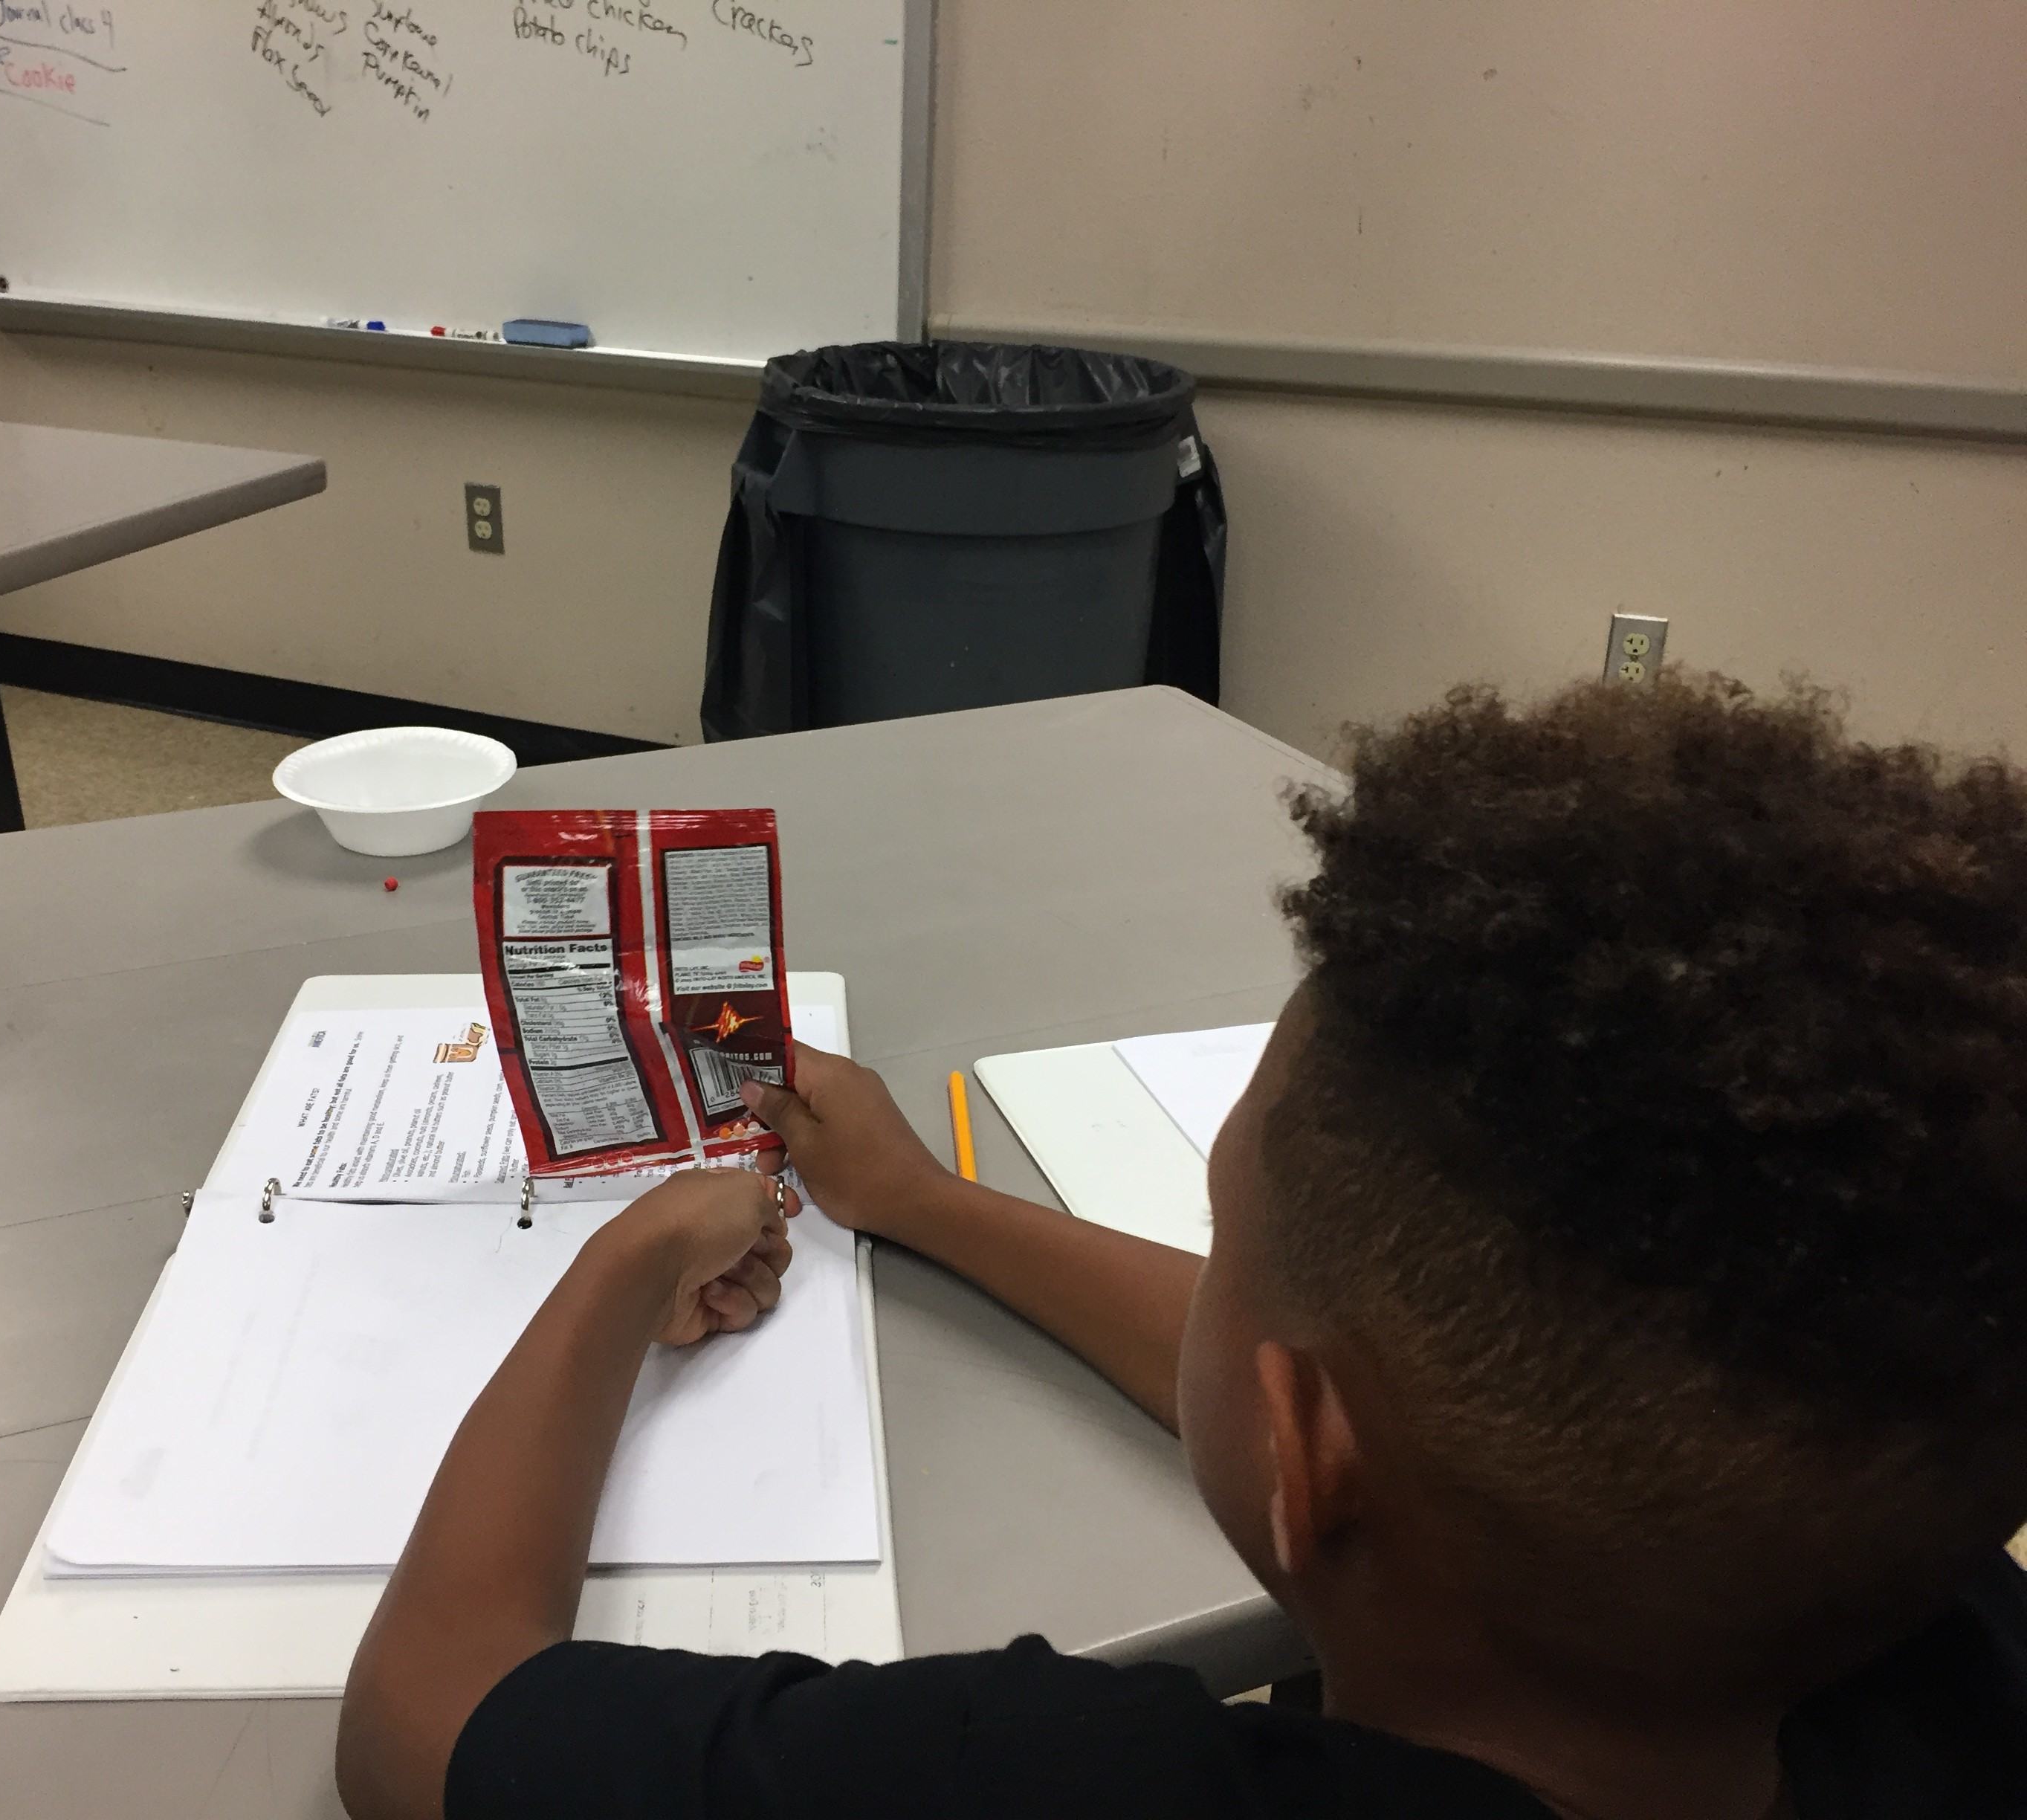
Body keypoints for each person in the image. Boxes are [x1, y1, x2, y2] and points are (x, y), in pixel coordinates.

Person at [336, 674, 2027, 1820]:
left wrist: (628, 1260)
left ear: (1302, 1455)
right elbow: (1403, 1400)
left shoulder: (1055, 1779)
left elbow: (426, 1715)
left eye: (1225, 1242)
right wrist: (925, 1202)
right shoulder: (1901, 1518)